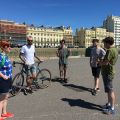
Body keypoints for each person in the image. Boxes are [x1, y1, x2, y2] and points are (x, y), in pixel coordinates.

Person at [99, 37, 118, 115]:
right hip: (110, 71)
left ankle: (112, 108)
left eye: (104, 43)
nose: (104, 44)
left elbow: (106, 63)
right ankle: (109, 104)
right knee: (108, 89)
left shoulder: (110, 51)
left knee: (110, 90)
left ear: (107, 43)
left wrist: (99, 63)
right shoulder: (115, 50)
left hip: (108, 72)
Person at [0, 40, 14, 120]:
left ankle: (4, 113)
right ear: (3, 48)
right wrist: (3, 76)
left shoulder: (5, 56)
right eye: (8, 46)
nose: (10, 48)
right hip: (3, 80)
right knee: (1, 99)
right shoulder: (1, 57)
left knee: (6, 97)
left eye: (10, 46)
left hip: (8, 79)